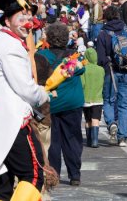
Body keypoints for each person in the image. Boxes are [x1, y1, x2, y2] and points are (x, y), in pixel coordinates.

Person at [0, 0, 50, 200]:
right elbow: (26, 89)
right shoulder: (11, 46)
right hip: (12, 125)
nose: (27, 23)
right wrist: (44, 94)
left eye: (28, 17)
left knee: (2, 184)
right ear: (7, 20)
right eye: (21, 17)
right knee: (34, 176)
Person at [37, 23, 85, 186]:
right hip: (73, 102)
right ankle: (75, 174)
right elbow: (81, 69)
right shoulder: (74, 56)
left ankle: (53, 174)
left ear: (48, 39)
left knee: (53, 141)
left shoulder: (41, 55)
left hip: (51, 103)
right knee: (72, 138)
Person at [96, 6, 127, 146]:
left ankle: (111, 123)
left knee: (109, 100)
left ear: (106, 17)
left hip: (110, 72)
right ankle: (122, 137)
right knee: (124, 104)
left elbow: (101, 58)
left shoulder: (103, 33)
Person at [81, 48, 105, 148]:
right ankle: (95, 141)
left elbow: (82, 84)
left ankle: (89, 140)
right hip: (97, 98)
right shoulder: (101, 69)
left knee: (88, 120)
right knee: (95, 119)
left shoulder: (84, 69)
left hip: (86, 99)